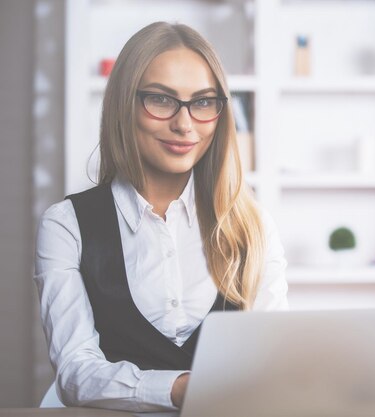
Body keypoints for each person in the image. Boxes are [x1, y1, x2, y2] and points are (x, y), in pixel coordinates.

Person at [34, 22, 288, 412]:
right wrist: (180, 389)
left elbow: (272, 362)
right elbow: (75, 373)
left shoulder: (252, 226)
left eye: (203, 101)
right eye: (162, 99)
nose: (185, 124)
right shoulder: (67, 225)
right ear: (124, 104)